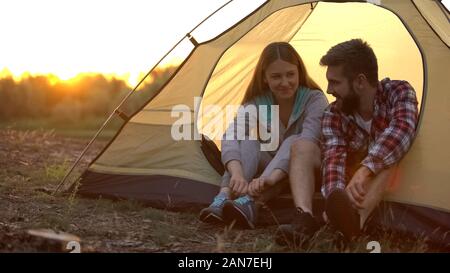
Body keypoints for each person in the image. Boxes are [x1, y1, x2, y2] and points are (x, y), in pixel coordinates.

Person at [199, 42, 329, 229]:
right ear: (265, 78)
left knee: (295, 140)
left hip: (302, 170)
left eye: (290, 74)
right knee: (249, 141)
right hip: (268, 169)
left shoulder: (314, 99)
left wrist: (268, 179)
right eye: (276, 76)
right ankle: (224, 196)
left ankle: (251, 200)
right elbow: (230, 136)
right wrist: (237, 173)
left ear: (299, 72)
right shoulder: (257, 102)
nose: (285, 82)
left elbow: (310, 138)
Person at [317, 38, 418, 240]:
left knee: (391, 159)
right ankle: (345, 221)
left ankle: (355, 224)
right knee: (342, 169)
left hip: (398, 182)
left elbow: (401, 131)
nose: (328, 90)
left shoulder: (399, 92)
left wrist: (365, 170)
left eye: (334, 82)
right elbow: (333, 159)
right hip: (352, 189)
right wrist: (335, 198)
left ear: (360, 82)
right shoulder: (333, 113)